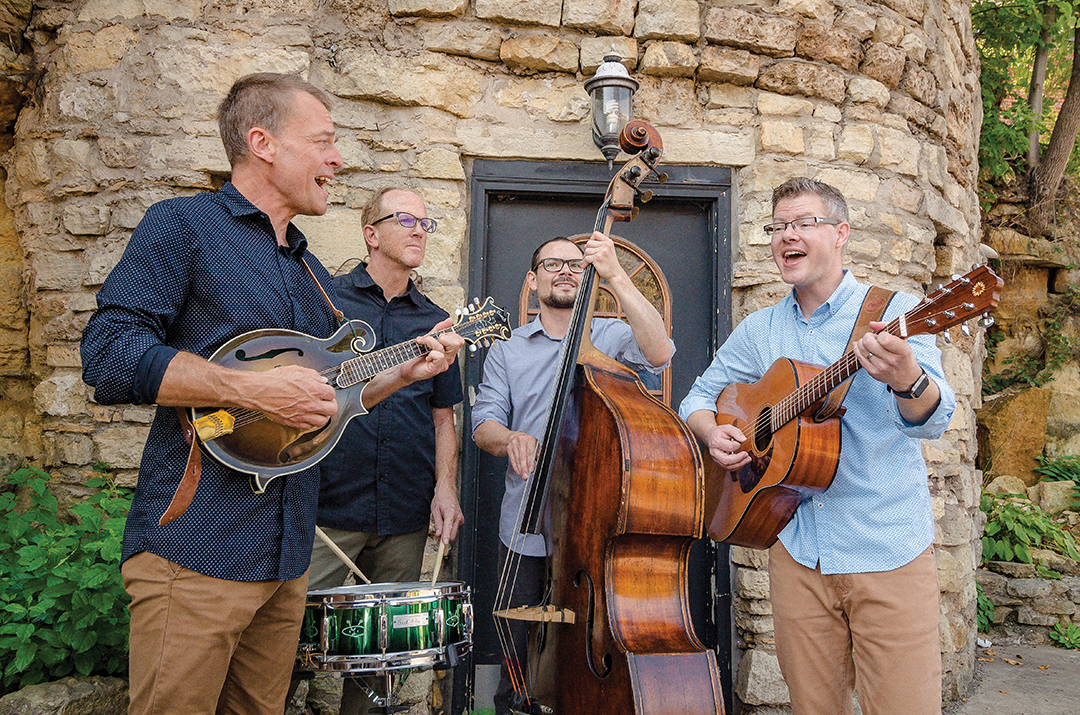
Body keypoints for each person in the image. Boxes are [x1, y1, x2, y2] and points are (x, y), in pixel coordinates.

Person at [79, 73, 463, 715]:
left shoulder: (307, 267)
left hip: (286, 558)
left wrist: (399, 377)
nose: (338, 159)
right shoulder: (185, 225)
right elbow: (108, 355)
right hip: (197, 547)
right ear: (262, 142)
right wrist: (245, 386)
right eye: (323, 142)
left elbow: (321, 402)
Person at [679, 177, 956, 715]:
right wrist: (715, 433)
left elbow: (933, 419)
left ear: (841, 233)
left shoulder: (896, 311)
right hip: (799, 550)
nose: (788, 236)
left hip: (887, 549)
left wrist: (907, 377)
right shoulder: (761, 330)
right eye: (779, 226)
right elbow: (700, 395)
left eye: (804, 223)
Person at [471, 233, 675, 715]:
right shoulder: (508, 350)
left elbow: (661, 352)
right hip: (524, 524)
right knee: (516, 655)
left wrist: (616, 275)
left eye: (574, 264)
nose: (563, 270)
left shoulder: (613, 338)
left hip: (598, 523)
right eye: (551, 264)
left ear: (587, 277)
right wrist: (511, 438)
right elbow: (483, 425)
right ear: (532, 278)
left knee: (594, 644)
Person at [307, 186, 465, 715]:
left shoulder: (438, 321)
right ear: (370, 233)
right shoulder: (325, 303)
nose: (420, 229)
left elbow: (444, 417)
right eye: (406, 219)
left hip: (403, 511)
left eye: (426, 222)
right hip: (327, 509)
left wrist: (445, 489)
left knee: (379, 667)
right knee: (287, 648)